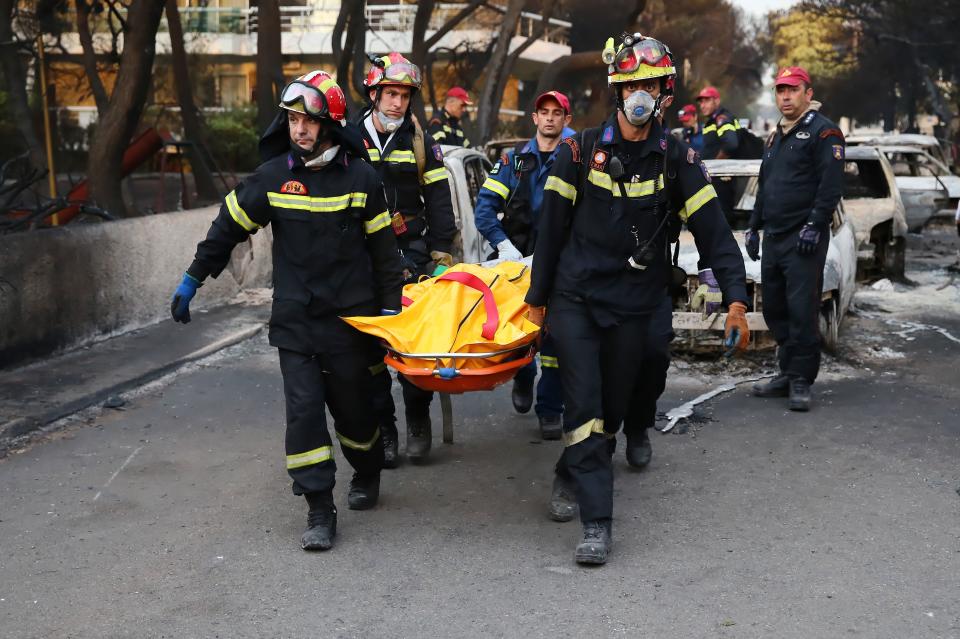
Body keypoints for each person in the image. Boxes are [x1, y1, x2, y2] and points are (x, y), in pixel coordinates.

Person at [526, 33, 750, 565]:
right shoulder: (578, 150)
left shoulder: (677, 156)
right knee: (583, 403)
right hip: (577, 299)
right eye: (631, 84)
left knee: (612, 406)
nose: (639, 94)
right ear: (616, 89)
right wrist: (538, 300)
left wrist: (736, 298)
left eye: (649, 84)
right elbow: (551, 232)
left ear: (664, 92)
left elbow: (715, 232)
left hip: (634, 300)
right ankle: (598, 524)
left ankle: (569, 470)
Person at [169, 71, 403, 552]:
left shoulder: (362, 179)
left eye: (309, 121)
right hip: (295, 321)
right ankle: (320, 507)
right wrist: (194, 276)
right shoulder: (275, 176)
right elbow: (228, 225)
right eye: (293, 119)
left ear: (331, 125)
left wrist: (389, 320)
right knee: (303, 416)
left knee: (356, 416)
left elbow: (385, 258)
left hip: (350, 324)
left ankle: (367, 469)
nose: (300, 130)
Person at [358, 52, 458, 465]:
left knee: (413, 345)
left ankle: (418, 418)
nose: (397, 102)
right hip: (362, 257)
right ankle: (385, 430)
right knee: (369, 352)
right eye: (390, 94)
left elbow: (438, 198)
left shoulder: (420, 141)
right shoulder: (350, 139)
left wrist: (440, 252)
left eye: (404, 95)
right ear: (374, 94)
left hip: (413, 253)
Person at [473, 90, 573, 439]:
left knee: (557, 339)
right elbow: (484, 208)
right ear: (534, 118)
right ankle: (524, 375)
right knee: (523, 329)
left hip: (563, 259)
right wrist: (503, 245)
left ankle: (550, 409)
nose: (549, 118)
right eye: (543, 111)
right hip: (519, 261)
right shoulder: (515, 160)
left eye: (556, 112)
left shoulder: (579, 155)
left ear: (566, 119)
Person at [746, 66, 845, 412]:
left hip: (803, 238)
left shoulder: (824, 132)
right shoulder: (775, 136)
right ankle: (787, 373)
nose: (785, 96)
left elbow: (831, 187)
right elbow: (764, 186)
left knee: (802, 311)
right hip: (774, 237)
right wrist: (753, 227)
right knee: (775, 308)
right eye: (780, 90)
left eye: (792, 90)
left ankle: (802, 379)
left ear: (807, 92)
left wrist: (815, 224)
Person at [696, 86, 739, 160]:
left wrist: (716, 163)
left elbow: (730, 144)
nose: (702, 106)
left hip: (720, 170)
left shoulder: (722, 118)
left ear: (717, 101)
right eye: (701, 102)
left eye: (706, 101)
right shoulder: (713, 120)